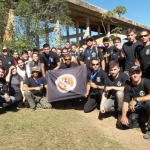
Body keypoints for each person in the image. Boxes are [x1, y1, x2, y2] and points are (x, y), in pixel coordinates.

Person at [116, 66, 150, 139]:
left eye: (137, 73)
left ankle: (149, 130)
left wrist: (136, 99)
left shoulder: (146, 82)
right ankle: (140, 122)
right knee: (120, 123)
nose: (135, 75)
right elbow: (125, 102)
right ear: (130, 74)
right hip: (136, 110)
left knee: (149, 103)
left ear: (141, 73)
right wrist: (124, 116)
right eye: (133, 73)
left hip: (146, 109)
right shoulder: (128, 85)